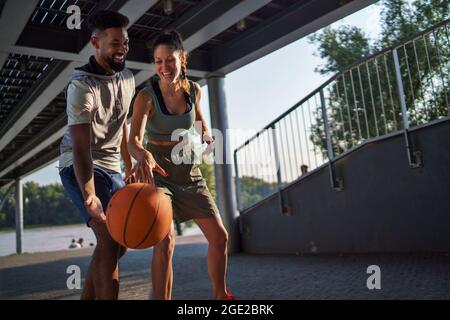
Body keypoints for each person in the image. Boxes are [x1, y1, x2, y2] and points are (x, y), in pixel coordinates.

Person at [127, 30, 234, 300]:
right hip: (158, 172)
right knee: (165, 244)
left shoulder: (193, 90)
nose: (164, 67)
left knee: (220, 237)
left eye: (170, 60)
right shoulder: (146, 97)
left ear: (182, 59)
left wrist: (207, 136)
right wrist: (143, 155)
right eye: (158, 61)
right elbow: (133, 141)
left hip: (188, 169)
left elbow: (198, 121)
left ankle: (221, 295)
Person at [58, 10, 134, 300]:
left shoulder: (127, 78)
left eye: (125, 42)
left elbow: (122, 127)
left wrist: (130, 166)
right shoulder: (81, 86)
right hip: (78, 166)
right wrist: (89, 194)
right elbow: (80, 146)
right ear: (95, 42)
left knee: (120, 241)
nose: (122, 49)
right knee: (109, 237)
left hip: (112, 167)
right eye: (115, 43)